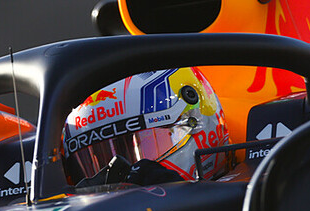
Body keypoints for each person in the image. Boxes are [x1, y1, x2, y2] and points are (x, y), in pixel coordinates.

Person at [62, 67, 230, 187]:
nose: (119, 176)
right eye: (97, 162)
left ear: (198, 124)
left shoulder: (244, 195)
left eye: (149, 143)